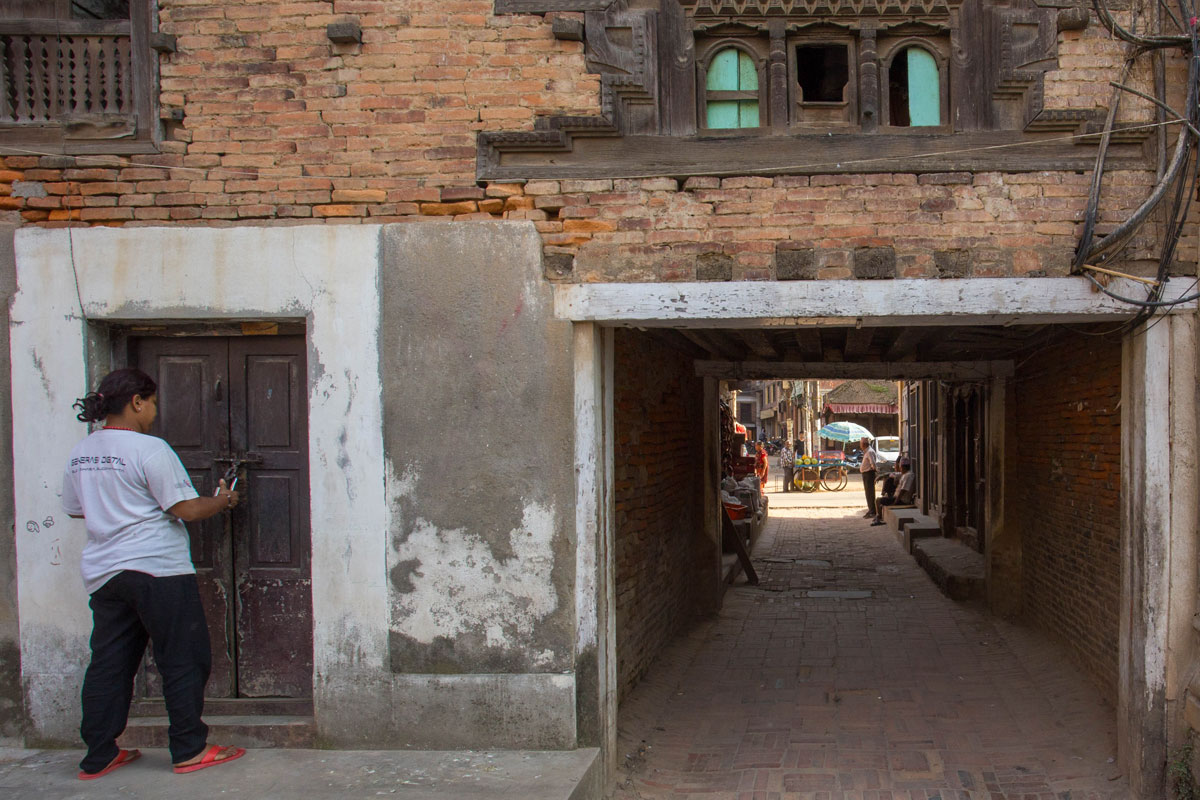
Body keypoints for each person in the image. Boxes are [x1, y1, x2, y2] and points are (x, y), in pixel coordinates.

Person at [62, 368, 246, 780]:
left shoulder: (82, 453)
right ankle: (189, 749)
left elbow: (75, 508)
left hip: (106, 573)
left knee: (109, 662)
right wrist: (223, 499)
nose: (155, 411)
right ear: (136, 402)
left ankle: (98, 755)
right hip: (157, 570)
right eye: (153, 402)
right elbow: (185, 509)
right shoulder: (149, 449)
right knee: (182, 658)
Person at [872, 458, 915, 525]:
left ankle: (879, 517)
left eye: (900, 467)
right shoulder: (905, 474)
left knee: (878, 500)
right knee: (889, 480)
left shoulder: (908, 476)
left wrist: (895, 502)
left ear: (903, 467)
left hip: (902, 500)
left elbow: (903, 490)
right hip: (897, 497)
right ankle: (878, 516)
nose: (899, 469)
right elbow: (893, 474)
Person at [858, 436, 878, 519]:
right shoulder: (866, 451)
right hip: (866, 474)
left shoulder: (869, 452)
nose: (860, 445)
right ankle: (871, 510)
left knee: (870, 493)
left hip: (869, 474)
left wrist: (874, 472)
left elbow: (873, 464)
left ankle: (872, 511)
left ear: (864, 444)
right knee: (868, 493)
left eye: (861, 444)